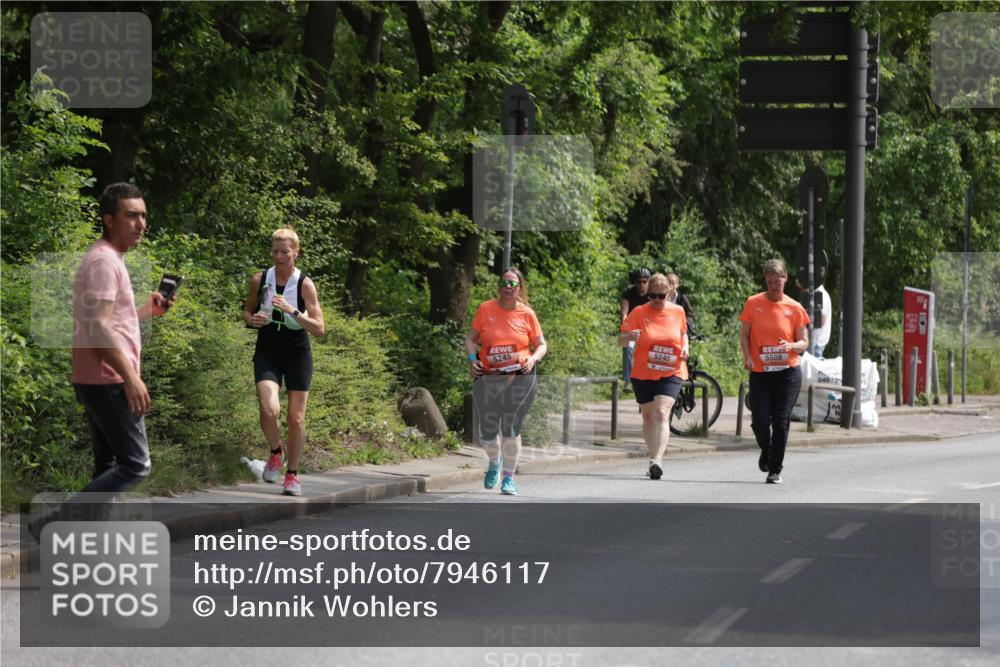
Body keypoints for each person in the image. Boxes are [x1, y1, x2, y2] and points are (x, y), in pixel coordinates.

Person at [71, 183, 175, 497]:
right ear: (109, 220)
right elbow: (98, 329)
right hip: (110, 378)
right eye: (131, 216)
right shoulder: (103, 261)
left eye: (143, 216)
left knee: (108, 463)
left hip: (98, 377)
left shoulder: (110, 258)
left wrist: (146, 311)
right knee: (135, 464)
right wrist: (130, 378)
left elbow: (112, 321)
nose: (141, 224)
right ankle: (54, 524)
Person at [243, 228, 325, 496]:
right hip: (268, 350)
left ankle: (292, 475)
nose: (279, 256)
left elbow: (319, 328)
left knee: (296, 419)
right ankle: (276, 452)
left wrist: (292, 310)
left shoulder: (305, 284)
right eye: (275, 251)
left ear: (296, 252)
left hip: (297, 353)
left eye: (285, 252)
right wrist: (250, 319)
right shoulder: (260, 279)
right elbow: (247, 309)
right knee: (269, 409)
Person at [466, 268, 547, 496]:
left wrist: (533, 358)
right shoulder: (485, 309)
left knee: (510, 426)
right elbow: (471, 338)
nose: (508, 288)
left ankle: (509, 479)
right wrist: (472, 359)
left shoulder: (527, 314)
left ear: (519, 288)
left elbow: (542, 344)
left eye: (513, 284)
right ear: (499, 286)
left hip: (521, 375)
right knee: (487, 432)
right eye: (504, 283)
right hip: (489, 376)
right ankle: (495, 460)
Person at [739, 259, 810, 484]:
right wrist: (747, 357)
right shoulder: (753, 303)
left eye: (777, 282)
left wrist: (792, 346)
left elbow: (804, 342)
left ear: (785, 279)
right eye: (769, 282)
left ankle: (775, 468)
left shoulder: (795, 307)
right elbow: (744, 334)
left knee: (781, 420)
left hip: (787, 372)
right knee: (760, 420)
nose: (773, 286)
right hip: (760, 371)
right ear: (765, 281)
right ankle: (767, 447)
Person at [619, 272, 689, 480]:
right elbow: (621, 341)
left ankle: (657, 460)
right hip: (643, 371)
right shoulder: (639, 312)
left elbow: (683, 333)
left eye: (661, 295)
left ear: (669, 292)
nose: (657, 300)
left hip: (672, 370)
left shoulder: (678, 311)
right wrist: (630, 337)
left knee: (661, 412)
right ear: (648, 294)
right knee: (648, 416)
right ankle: (652, 457)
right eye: (653, 296)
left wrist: (685, 348)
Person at [620, 268, 651, 391]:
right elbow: (624, 313)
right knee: (627, 346)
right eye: (639, 282)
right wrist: (625, 327)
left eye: (644, 281)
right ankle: (627, 380)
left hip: (648, 327)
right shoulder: (628, 291)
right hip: (632, 327)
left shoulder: (652, 293)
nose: (642, 285)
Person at [665, 273, 699, 338]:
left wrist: (682, 322)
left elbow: (690, 315)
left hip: (678, 328)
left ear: (677, 285)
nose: (671, 285)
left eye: (673, 283)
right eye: (668, 282)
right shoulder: (660, 296)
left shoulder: (682, 298)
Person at [812, 284, 832, 358]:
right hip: (815, 342)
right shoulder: (819, 293)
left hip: (816, 343)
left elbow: (821, 318)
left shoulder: (820, 294)